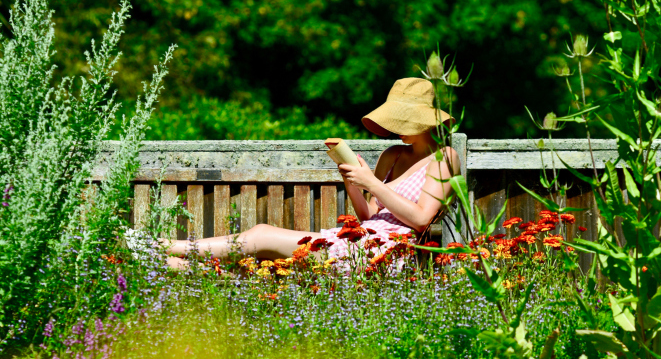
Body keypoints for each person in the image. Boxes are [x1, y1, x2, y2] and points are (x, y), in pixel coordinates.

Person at [163, 77, 460, 267]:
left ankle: (164, 247)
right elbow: (369, 218)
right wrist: (353, 182)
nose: (398, 130)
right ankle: (157, 261)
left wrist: (372, 182)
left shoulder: (444, 157)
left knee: (263, 235)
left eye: (405, 122)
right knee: (250, 263)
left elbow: (421, 220)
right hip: (360, 240)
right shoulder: (392, 155)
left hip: (387, 252)